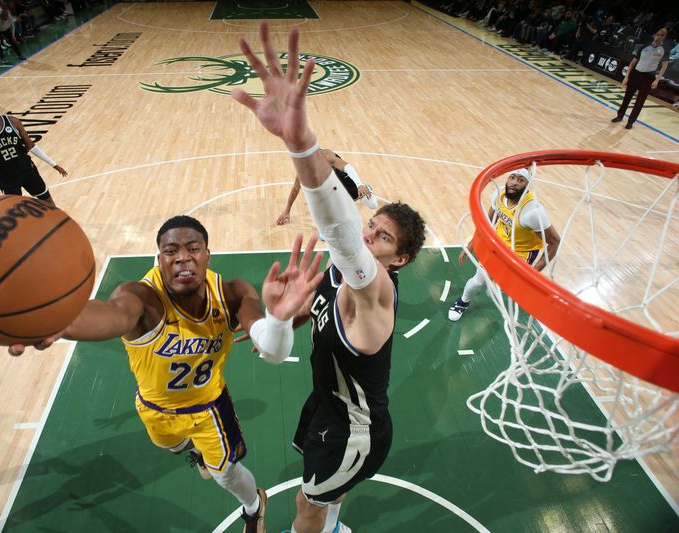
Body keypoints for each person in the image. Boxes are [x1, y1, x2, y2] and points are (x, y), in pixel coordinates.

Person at [0, 216, 325, 533]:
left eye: (194, 247)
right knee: (172, 446)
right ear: (158, 258)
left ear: (208, 255)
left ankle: (253, 506)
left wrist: (277, 321)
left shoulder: (231, 293)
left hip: (208, 409)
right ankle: (195, 452)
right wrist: (49, 318)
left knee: (226, 474)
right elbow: (110, 315)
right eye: (170, 250)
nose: (183, 256)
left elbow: (271, 346)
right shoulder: (140, 298)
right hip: (154, 408)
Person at [232, 23, 427, 533]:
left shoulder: (376, 291)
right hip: (326, 402)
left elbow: (341, 234)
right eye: (372, 226)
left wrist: (301, 144)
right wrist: (277, 320)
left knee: (306, 510)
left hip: (355, 428)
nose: (368, 238)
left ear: (399, 261)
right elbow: (275, 349)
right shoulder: (334, 277)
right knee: (321, 494)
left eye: (382, 238)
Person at [448, 168, 561, 321]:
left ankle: (501, 283)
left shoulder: (533, 213)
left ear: (527, 186)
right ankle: (463, 302)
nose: (514, 183)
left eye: (521, 180)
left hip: (521, 252)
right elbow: (488, 221)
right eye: (512, 177)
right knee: (477, 282)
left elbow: (555, 242)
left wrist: (533, 273)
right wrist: (472, 243)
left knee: (499, 289)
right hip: (499, 244)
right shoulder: (499, 194)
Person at [0, 95, 67, 205]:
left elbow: (31, 145)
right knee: (16, 212)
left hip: (28, 171)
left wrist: (54, 164)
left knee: (50, 205)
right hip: (7, 179)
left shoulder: (13, 122)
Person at [276, 148, 377, 226]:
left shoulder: (326, 155)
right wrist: (287, 211)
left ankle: (366, 188)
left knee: (372, 205)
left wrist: (360, 185)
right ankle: (329, 226)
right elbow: (295, 189)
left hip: (344, 179)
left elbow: (347, 167)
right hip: (332, 186)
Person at [611, 27, 670, 129]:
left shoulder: (664, 50)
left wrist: (657, 79)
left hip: (649, 77)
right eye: (658, 34)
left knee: (640, 101)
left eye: (662, 35)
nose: (659, 36)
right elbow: (633, 62)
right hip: (636, 74)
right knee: (627, 97)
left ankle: (631, 121)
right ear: (655, 34)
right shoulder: (645, 46)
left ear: (664, 37)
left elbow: (664, 66)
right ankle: (619, 116)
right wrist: (627, 76)